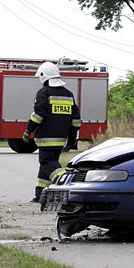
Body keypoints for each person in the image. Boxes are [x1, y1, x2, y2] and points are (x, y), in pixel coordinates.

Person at [22, 62, 81, 203]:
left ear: (44, 77)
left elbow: (38, 116)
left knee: (47, 162)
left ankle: (64, 180)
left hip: (45, 138)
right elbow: (76, 121)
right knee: (46, 166)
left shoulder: (44, 93)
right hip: (60, 140)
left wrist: (28, 130)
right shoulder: (68, 94)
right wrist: (72, 139)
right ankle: (41, 195)